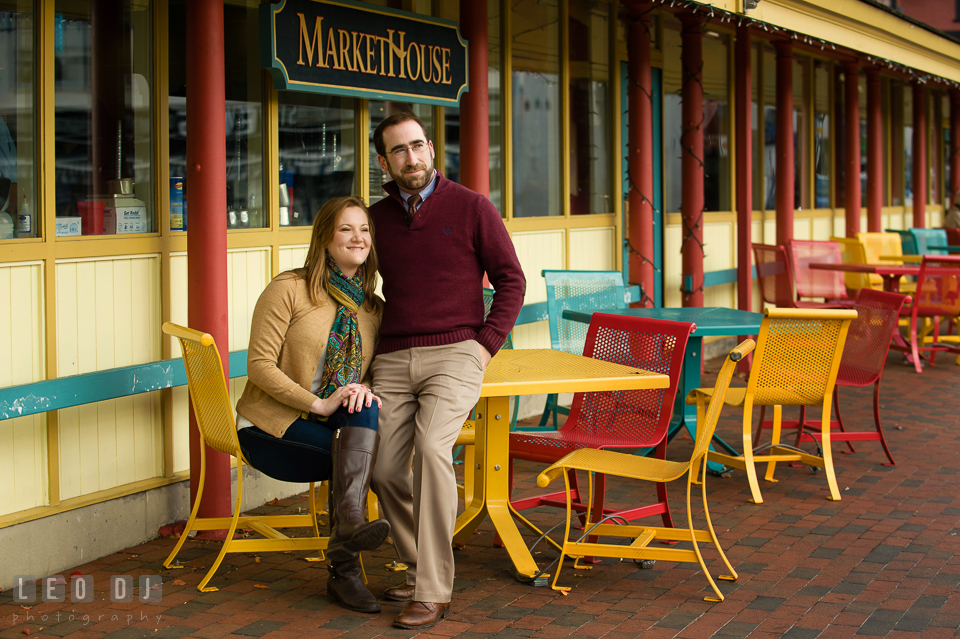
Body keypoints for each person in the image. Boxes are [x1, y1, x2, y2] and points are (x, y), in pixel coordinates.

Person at [369, 112, 525, 629]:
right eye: (398, 151)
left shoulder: (472, 206)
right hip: (391, 357)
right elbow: (350, 276)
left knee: (433, 450)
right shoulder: (376, 220)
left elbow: (511, 280)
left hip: (458, 351)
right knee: (385, 468)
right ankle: (420, 569)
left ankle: (433, 590)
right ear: (383, 161)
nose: (411, 158)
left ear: (432, 148)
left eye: (417, 146)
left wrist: (486, 345)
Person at [234, 196, 390, 614]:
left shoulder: (373, 309)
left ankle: (349, 545)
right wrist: (318, 405)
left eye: (365, 230)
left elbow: (375, 372)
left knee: (365, 407)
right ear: (324, 237)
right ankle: (346, 567)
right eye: (346, 229)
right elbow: (259, 365)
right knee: (360, 459)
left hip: (332, 429)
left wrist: (362, 389)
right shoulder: (289, 289)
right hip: (270, 428)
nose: (357, 238)